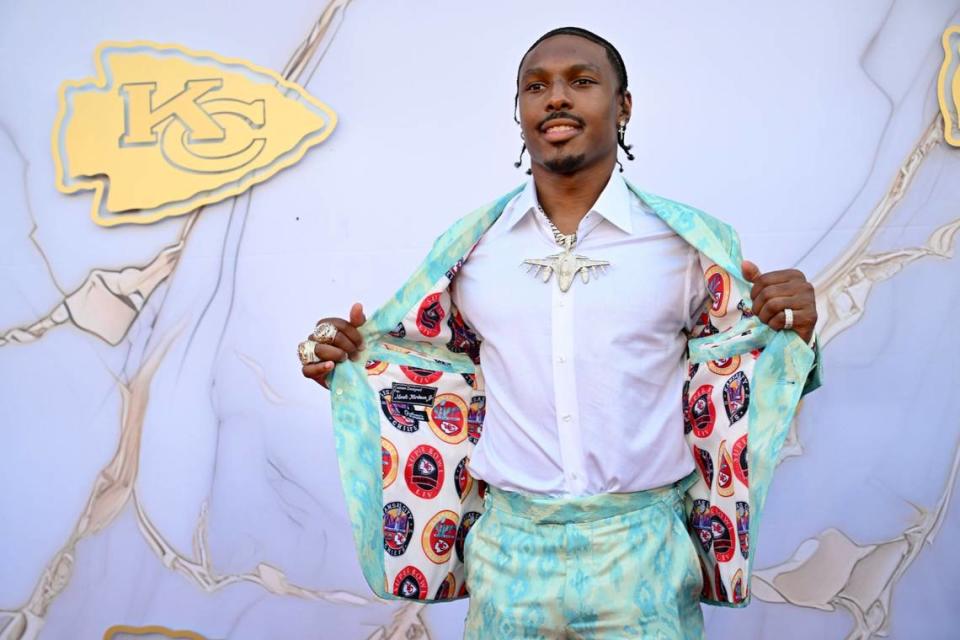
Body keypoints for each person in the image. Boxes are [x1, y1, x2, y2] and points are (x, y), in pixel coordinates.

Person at [299, 26, 820, 640]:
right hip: (509, 552)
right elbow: (417, 364)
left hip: (643, 551)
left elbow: (743, 366)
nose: (556, 98)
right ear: (519, 112)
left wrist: (798, 330)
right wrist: (341, 357)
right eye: (536, 86)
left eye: (582, 81)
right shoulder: (470, 249)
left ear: (623, 106)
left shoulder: (689, 246)